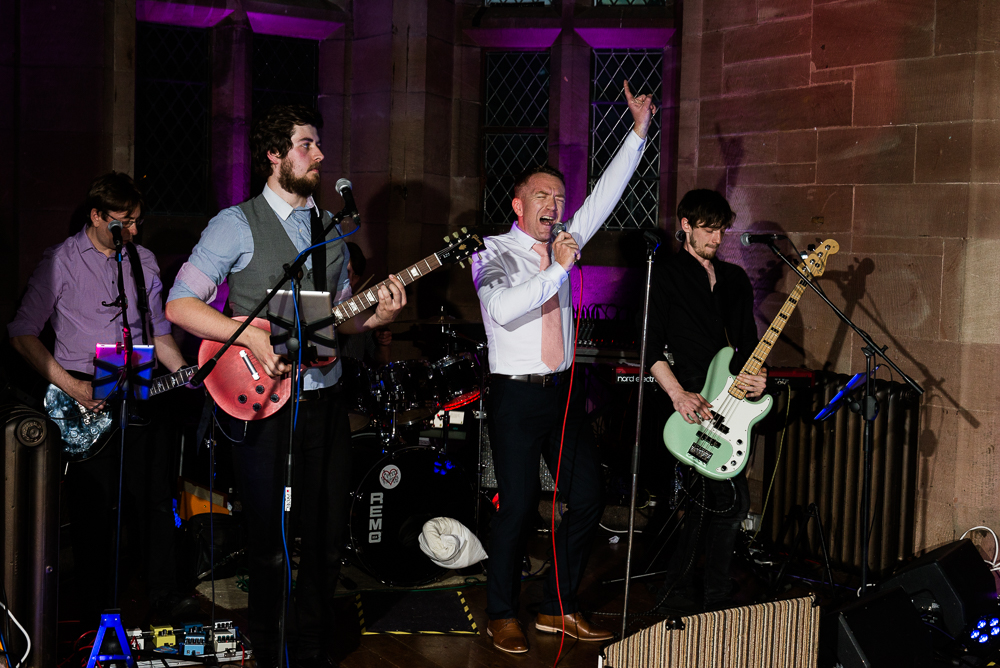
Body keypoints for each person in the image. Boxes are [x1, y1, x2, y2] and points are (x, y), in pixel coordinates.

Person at [165, 104, 405, 668]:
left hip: (326, 398)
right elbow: (180, 304)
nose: (319, 156)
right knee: (271, 544)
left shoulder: (330, 230)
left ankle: (314, 649)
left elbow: (338, 318)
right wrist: (245, 336)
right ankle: (271, 653)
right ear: (275, 155)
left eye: (317, 145)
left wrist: (377, 319)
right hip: (263, 406)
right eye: (306, 145)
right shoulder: (235, 223)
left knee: (324, 540)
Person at [470, 80, 656, 654]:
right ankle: (502, 612)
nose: (554, 206)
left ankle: (557, 606)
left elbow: (604, 196)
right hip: (516, 396)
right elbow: (502, 310)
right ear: (518, 206)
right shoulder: (489, 253)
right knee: (520, 506)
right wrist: (554, 271)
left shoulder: (568, 239)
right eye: (542, 197)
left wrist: (637, 134)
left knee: (589, 496)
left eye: (559, 197)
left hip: (563, 392)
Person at [8, 171, 195, 624]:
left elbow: (160, 331)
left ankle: (164, 593)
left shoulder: (143, 260)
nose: (132, 230)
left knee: (154, 496)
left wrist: (186, 372)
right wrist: (73, 387)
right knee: (97, 506)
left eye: (137, 221)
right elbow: (21, 333)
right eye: (122, 221)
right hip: (83, 392)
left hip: (139, 386)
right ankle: (97, 604)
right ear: (96, 216)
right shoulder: (61, 261)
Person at [645, 189, 768, 613]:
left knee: (710, 502)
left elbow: (749, 345)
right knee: (726, 501)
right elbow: (648, 346)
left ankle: (680, 590)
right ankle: (705, 594)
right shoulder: (665, 274)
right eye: (708, 229)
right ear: (686, 226)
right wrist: (677, 393)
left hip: (730, 400)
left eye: (721, 229)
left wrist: (759, 377)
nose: (717, 237)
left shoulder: (734, 279)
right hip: (690, 398)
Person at [340, 242, 392, 365]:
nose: (350, 280)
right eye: (346, 273)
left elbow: (382, 359)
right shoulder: (319, 306)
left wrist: (383, 344)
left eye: (356, 276)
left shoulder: (362, 311)